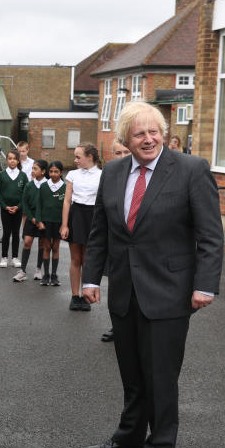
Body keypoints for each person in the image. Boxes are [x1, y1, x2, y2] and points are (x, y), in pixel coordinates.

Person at [81, 101, 223, 448]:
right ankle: (129, 436)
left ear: (163, 133)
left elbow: (210, 235)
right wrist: (91, 278)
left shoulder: (191, 170)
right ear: (125, 138)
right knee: (132, 372)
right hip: (125, 291)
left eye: (154, 131)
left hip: (170, 293)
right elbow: (101, 232)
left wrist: (205, 284)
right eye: (140, 133)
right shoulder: (112, 172)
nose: (148, 139)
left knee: (161, 376)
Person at [60, 143, 102, 310]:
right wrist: (64, 225)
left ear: (90, 157)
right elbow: (66, 201)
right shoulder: (72, 175)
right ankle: (74, 295)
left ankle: (86, 295)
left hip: (93, 216)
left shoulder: (102, 175)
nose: (75, 160)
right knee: (76, 258)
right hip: (76, 216)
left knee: (87, 259)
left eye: (78, 157)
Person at [100, 140, 132, 342]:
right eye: (117, 153)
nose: (122, 157)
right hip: (116, 244)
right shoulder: (111, 174)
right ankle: (117, 325)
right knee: (116, 287)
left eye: (126, 152)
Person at [14, 159, 48, 282]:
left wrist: (40, 221)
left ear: (43, 171)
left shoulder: (48, 185)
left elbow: (48, 205)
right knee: (27, 242)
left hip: (43, 220)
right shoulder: (29, 185)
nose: (32, 171)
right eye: (32, 168)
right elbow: (25, 203)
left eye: (35, 169)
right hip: (31, 219)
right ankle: (22, 271)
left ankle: (39, 269)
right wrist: (32, 218)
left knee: (42, 244)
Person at [0, 149, 27, 270]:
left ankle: (14, 257)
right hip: (5, 209)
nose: (12, 161)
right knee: (6, 233)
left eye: (14, 158)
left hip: (18, 210)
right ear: (7, 160)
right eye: (10, 158)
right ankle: (4, 257)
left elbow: (25, 193)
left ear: (18, 160)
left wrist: (18, 206)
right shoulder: (1, 175)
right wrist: (5, 206)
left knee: (16, 233)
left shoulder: (23, 176)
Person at [36, 161, 66, 286]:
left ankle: (54, 275)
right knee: (47, 247)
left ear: (61, 172)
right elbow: (39, 205)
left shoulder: (65, 187)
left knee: (56, 247)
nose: (53, 174)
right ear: (48, 172)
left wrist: (64, 224)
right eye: (51, 171)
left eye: (56, 171)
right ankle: (46, 274)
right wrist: (39, 221)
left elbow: (67, 207)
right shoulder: (43, 186)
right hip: (46, 222)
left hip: (58, 223)